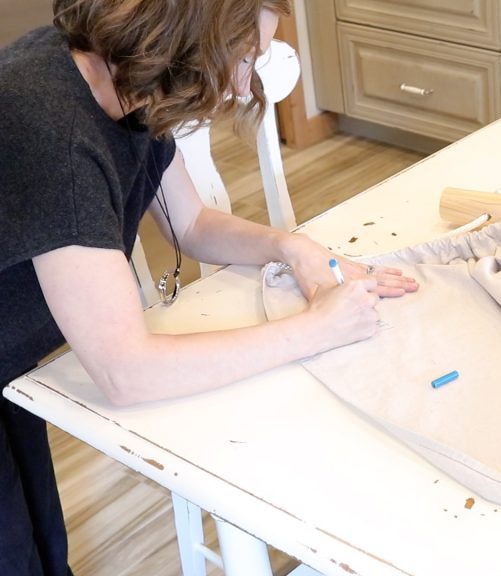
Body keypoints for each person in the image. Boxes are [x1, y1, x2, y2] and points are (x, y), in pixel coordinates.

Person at [0, 1, 418, 573]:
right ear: (188, 35)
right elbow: (127, 371)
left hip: (10, 355)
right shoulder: (57, 132)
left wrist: (293, 248)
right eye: (244, 59)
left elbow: (191, 224)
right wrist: (315, 329)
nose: (246, 87)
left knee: (40, 545)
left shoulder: (130, 81)